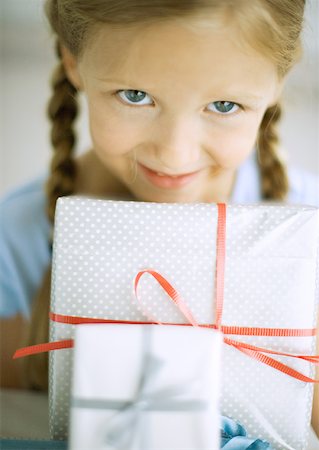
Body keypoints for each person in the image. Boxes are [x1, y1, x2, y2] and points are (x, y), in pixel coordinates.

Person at [0, 0, 318, 443]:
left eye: (223, 105)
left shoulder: (309, 237)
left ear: (277, 86)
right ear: (74, 63)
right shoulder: (13, 246)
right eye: (135, 96)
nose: (175, 153)